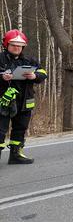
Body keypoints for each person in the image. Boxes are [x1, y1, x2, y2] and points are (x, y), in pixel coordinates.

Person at [0, 29, 48, 164]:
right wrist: (2, 77)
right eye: (13, 44)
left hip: (25, 101)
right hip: (3, 101)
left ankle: (16, 155)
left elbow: (43, 72)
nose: (17, 48)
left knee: (20, 129)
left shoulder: (29, 60)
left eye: (19, 45)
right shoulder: (0, 59)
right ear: (6, 45)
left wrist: (35, 76)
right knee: (0, 130)